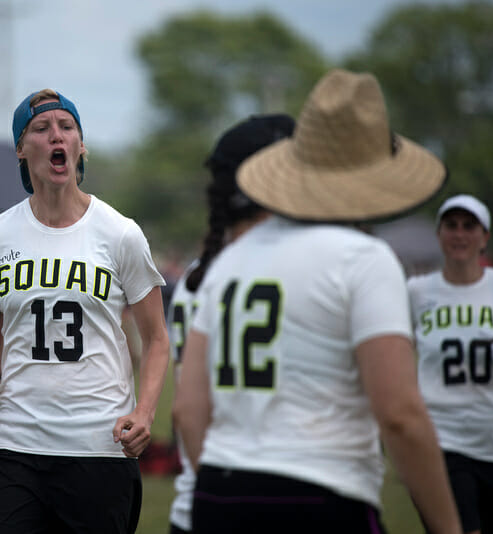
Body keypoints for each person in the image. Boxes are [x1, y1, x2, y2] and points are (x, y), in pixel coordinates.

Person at [173, 69, 462, 534]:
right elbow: (400, 415)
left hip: (217, 497)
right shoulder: (364, 259)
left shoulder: (231, 259)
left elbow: (188, 409)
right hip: (320, 496)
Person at [0, 89, 170, 533]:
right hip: (13, 449)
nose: (57, 137)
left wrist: (144, 413)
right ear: (20, 147)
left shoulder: (120, 234)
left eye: (67, 128)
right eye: (42, 129)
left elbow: (158, 339)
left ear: (80, 146)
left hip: (98, 448)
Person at [166, 114, 295, 534]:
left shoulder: (196, 277)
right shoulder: (276, 270)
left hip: (202, 492)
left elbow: (187, 408)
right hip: (269, 487)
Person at [408, 194, 493, 534]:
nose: (460, 235)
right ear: (439, 234)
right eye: (451, 226)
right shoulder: (416, 292)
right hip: (443, 442)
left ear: (484, 237)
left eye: (469, 226)